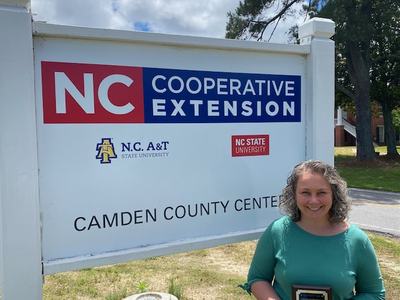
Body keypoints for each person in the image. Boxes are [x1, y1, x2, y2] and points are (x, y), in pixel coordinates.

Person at [241, 160, 385, 300]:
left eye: (321, 192)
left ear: (334, 195)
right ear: (294, 195)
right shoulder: (277, 231)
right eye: (305, 192)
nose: (314, 201)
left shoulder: (357, 240)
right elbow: (257, 279)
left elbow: (374, 293)